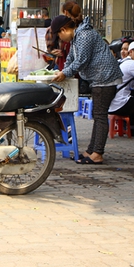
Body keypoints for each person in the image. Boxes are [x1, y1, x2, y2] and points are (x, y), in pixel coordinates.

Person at [51, 15, 122, 165]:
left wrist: (65, 73)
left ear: (64, 29)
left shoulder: (84, 35)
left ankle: (98, 153)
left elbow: (82, 60)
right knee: (98, 115)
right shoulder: (76, 38)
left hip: (105, 79)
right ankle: (91, 150)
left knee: (100, 116)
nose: (60, 38)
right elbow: (71, 58)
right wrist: (62, 70)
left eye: (59, 34)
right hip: (98, 80)